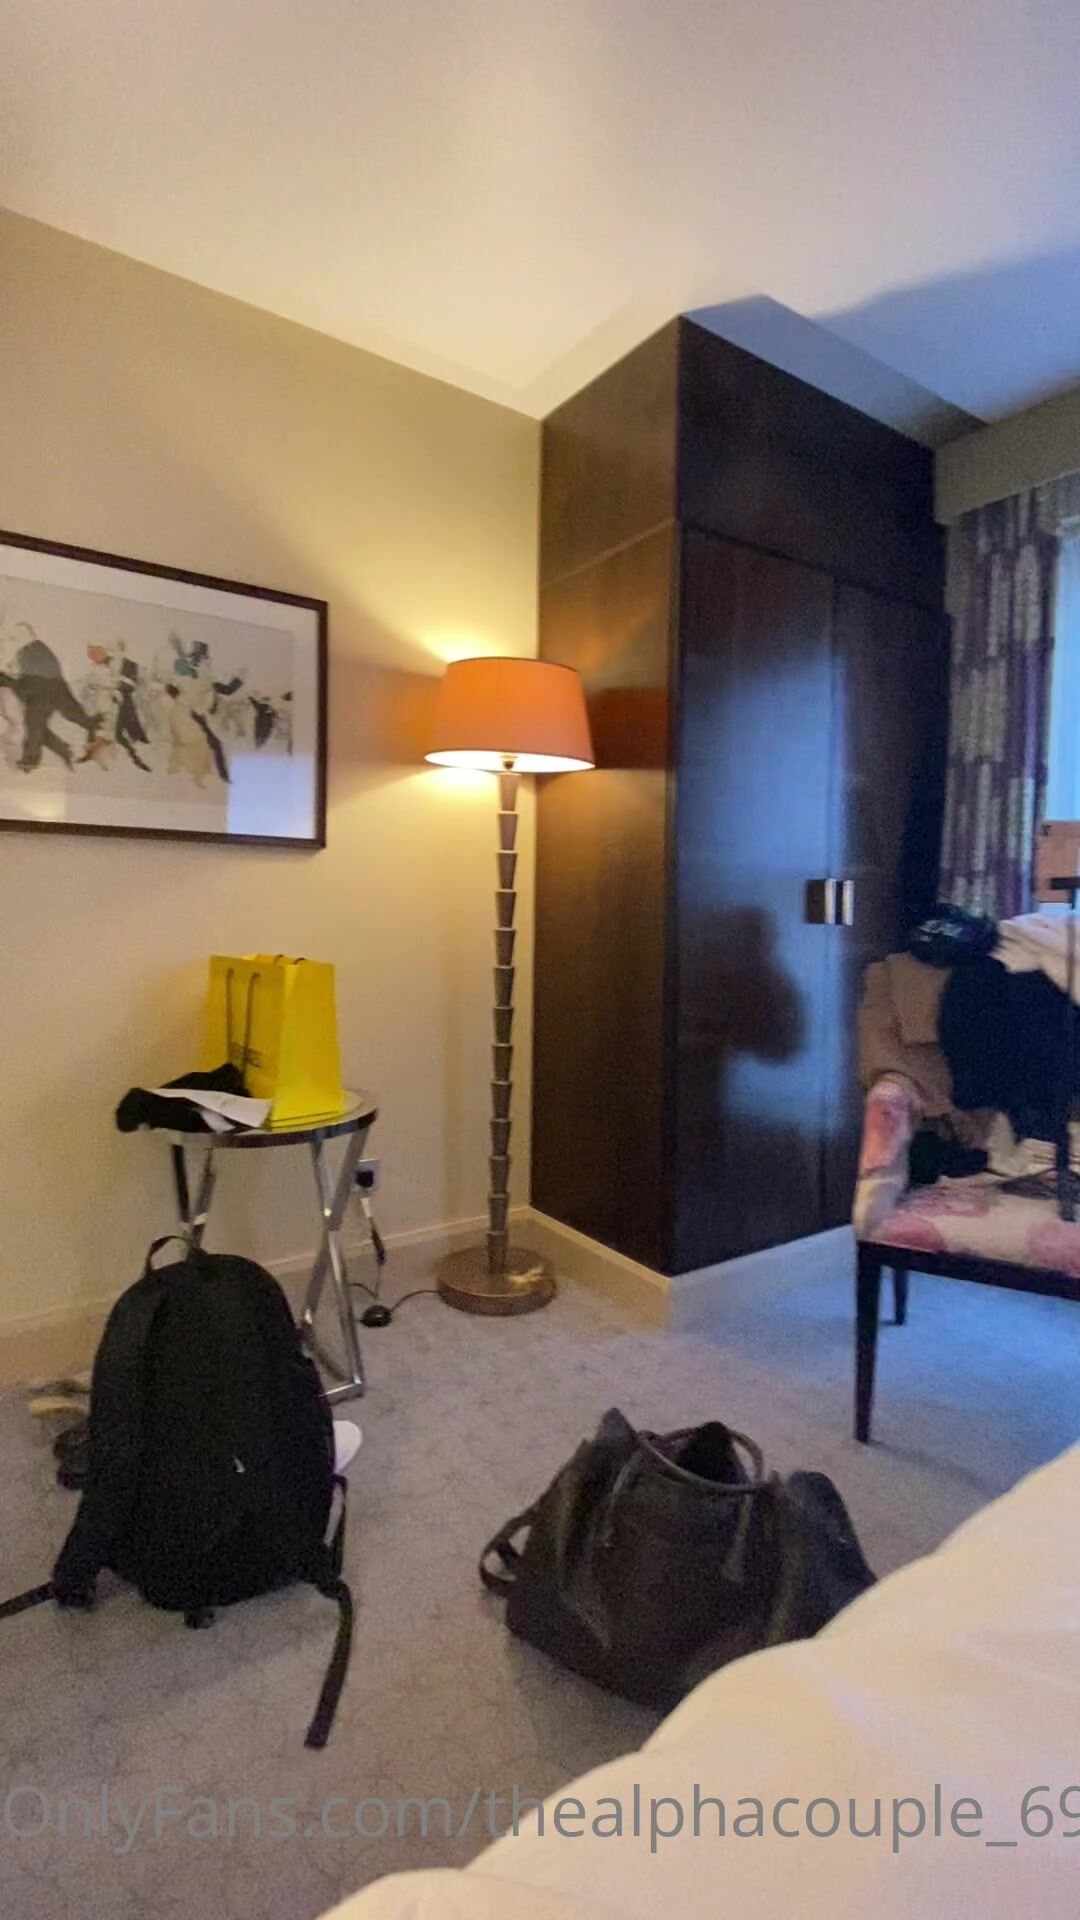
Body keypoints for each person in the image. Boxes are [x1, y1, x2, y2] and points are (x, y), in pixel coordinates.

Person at [0, 624, 98, 771]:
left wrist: (8, 680)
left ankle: (30, 762)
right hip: (52, 689)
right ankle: (66, 749)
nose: (12, 639)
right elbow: (40, 677)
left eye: (14, 637)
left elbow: (31, 682)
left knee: (35, 727)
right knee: (46, 724)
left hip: (42, 694)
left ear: (23, 636)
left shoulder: (29, 651)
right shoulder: (35, 649)